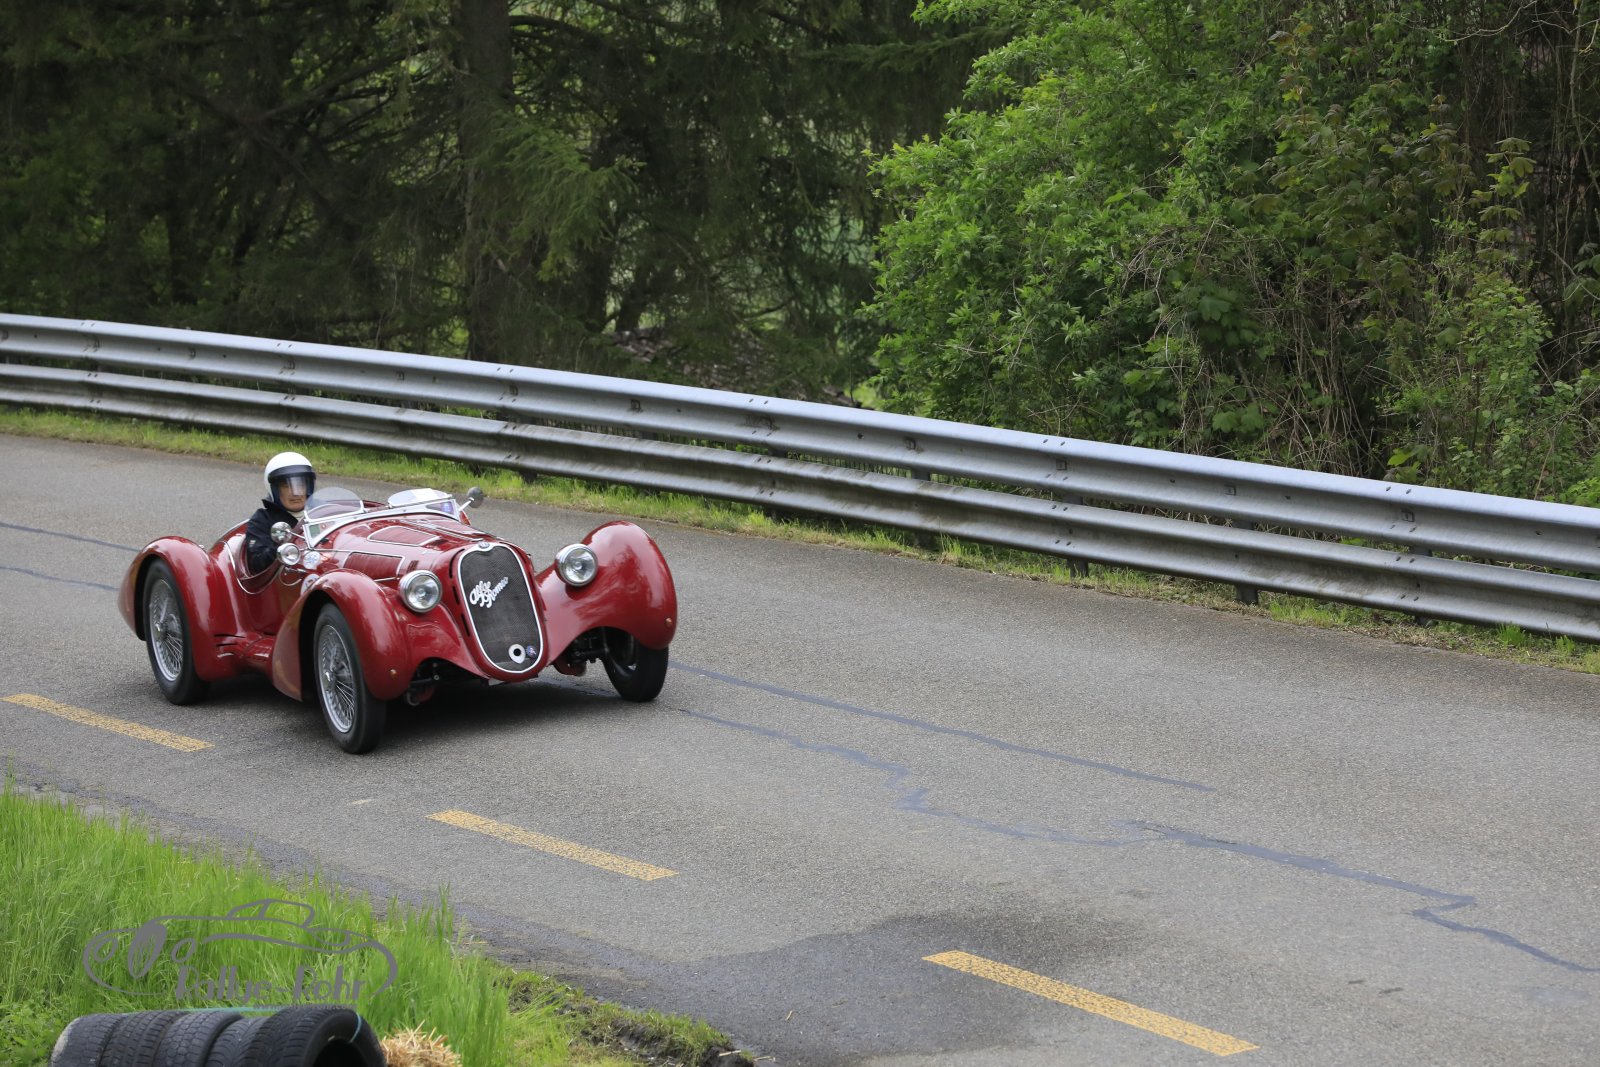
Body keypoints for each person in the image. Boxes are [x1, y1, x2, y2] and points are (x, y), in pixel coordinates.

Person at [245, 451, 316, 573]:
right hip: (286, 578)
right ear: (275, 489)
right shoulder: (263, 519)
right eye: (287, 486)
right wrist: (282, 547)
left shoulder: (323, 511)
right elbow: (257, 564)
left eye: (300, 484)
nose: (296, 493)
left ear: (308, 487)